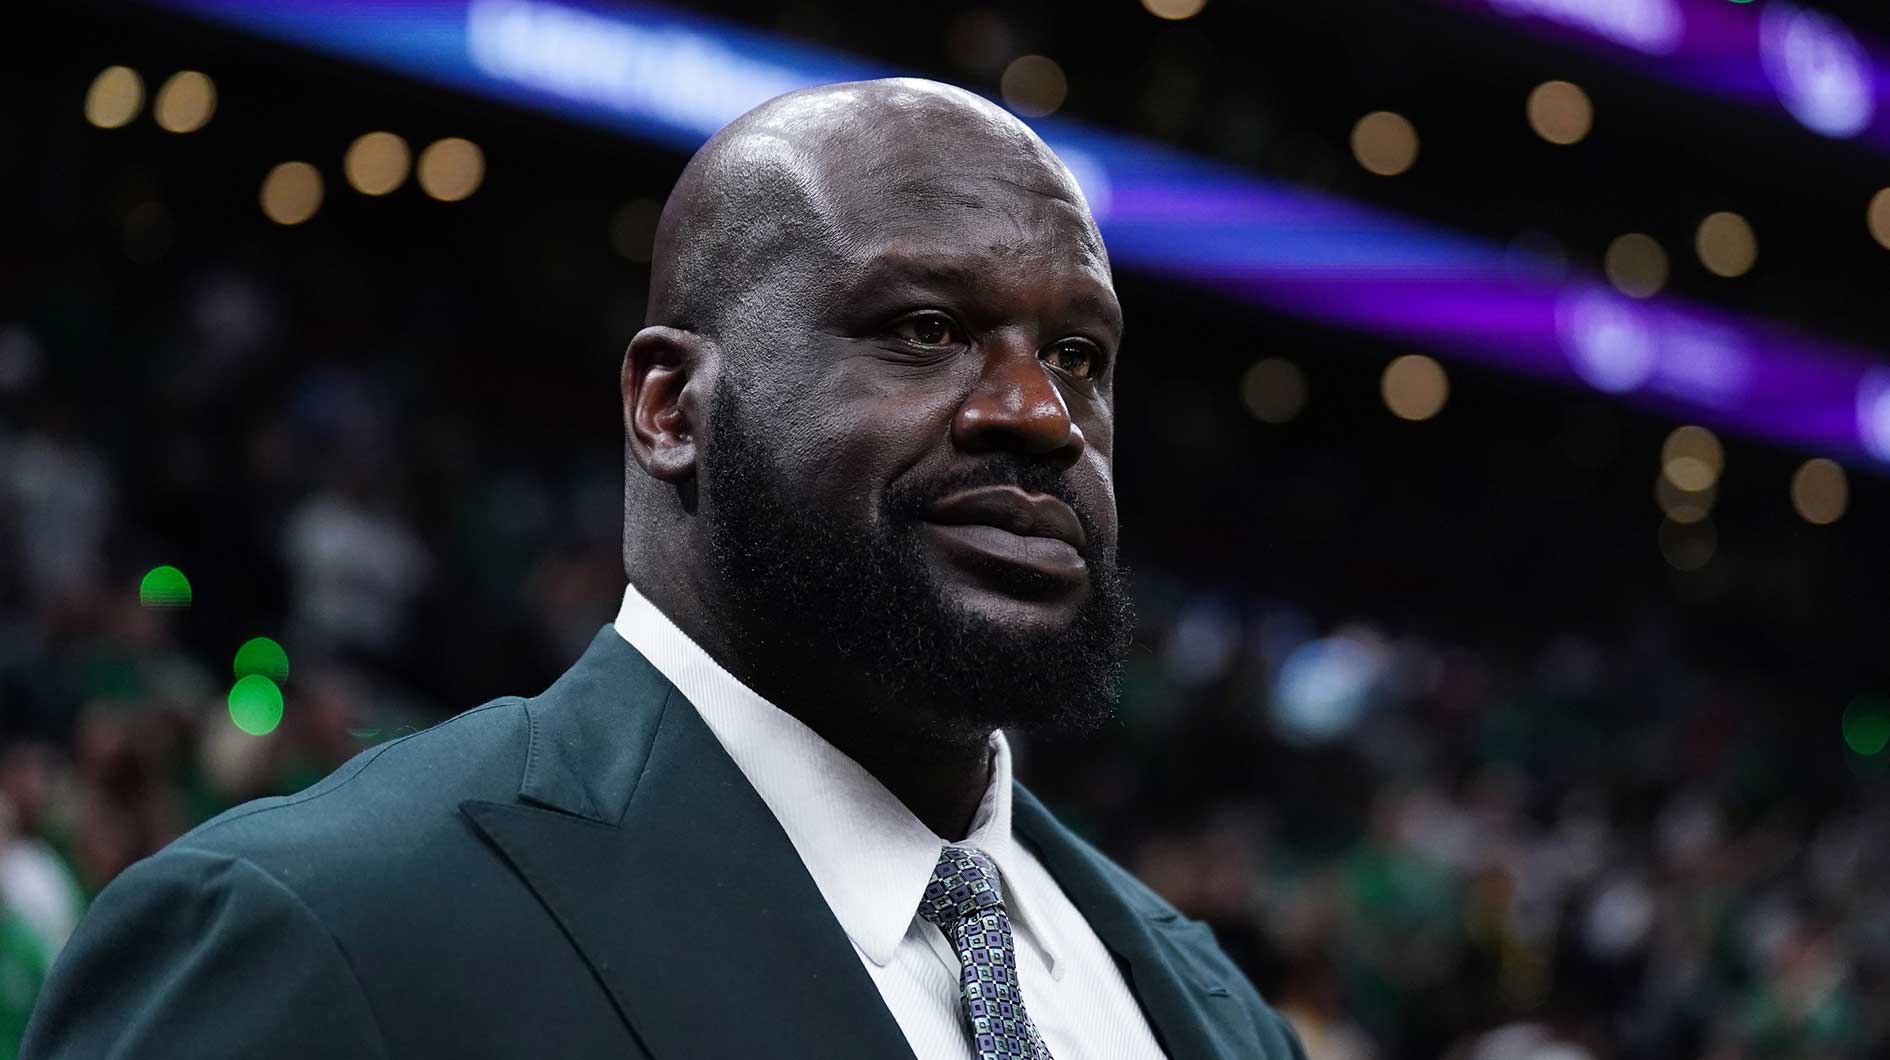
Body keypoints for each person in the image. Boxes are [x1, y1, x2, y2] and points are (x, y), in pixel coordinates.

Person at [21, 78, 1306, 1060]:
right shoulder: (318, 930)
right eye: (925, 328)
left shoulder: (1213, 1012)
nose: (1040, 414)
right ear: (669, 408)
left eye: (1079, 357)